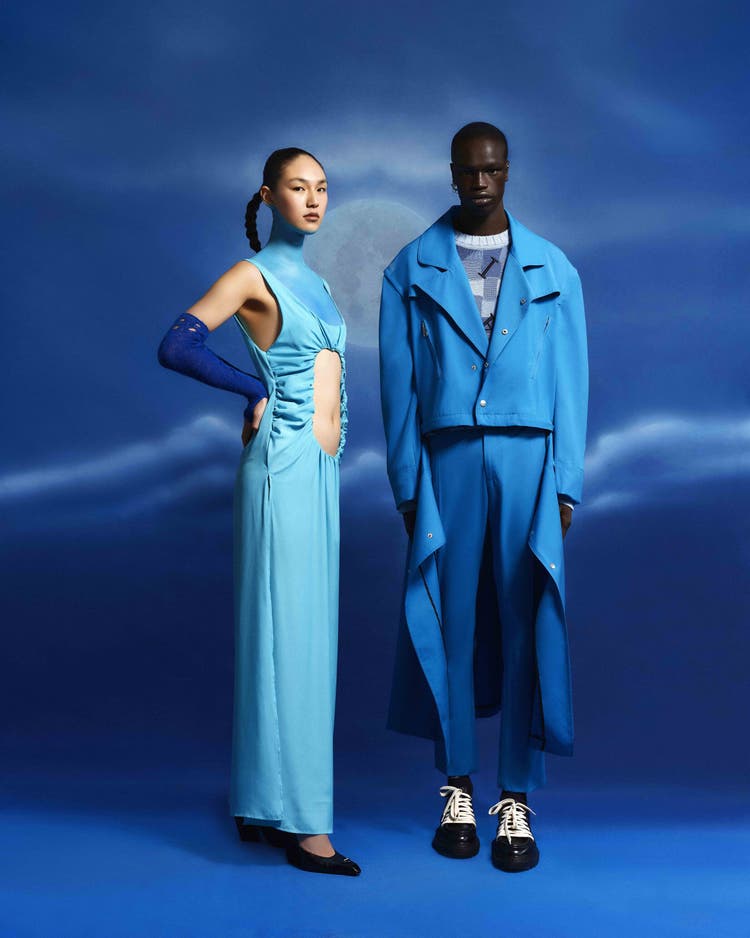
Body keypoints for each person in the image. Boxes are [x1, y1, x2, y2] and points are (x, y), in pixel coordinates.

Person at [378, 122, 588, 872]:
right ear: (450, 172)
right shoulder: (410, 268)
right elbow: (398, 387)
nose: (479, 182)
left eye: (491, 169)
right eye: (467, 170)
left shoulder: (554, 267)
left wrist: (566, 482)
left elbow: (572, 380)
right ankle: (458, 787)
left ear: (507, 171)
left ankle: (517, 799)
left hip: (532, 458)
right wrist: (409, 485)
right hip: (449, 459)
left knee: (527, 618)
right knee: (453, 619)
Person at [157, 147, 360, 877]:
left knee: (298, 636)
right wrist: (252, 389)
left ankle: (260, 804)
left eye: (322, 188)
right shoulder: (252, 275)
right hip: (282, 468)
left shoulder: (320, 282)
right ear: (269, 197)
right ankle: (307, 828)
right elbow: (178, 344)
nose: (313, 199)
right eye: (298, 188)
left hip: (320, 473)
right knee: (295, 641)